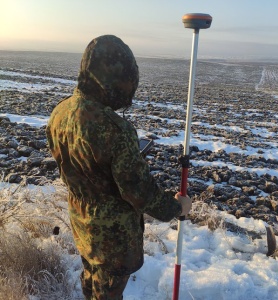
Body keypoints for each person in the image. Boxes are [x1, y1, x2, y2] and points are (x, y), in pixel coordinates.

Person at [46, 35, 192, 300]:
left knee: (90, 281)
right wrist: (176, 207)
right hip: (113, 239)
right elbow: (139, 191)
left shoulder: (60, 112)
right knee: (108, 293)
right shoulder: (115, 129)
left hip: (82, 222)